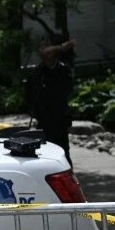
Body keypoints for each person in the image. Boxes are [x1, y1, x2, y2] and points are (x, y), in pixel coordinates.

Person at [26, 38, 77, 166]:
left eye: (47, 47)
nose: (45, 50)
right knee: (46, 153)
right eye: (41, 47)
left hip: (60, 118)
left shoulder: (63, 69)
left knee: (63, 152)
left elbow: (67, 91)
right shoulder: (37, 72)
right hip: (43, 120)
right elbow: (29, 95)